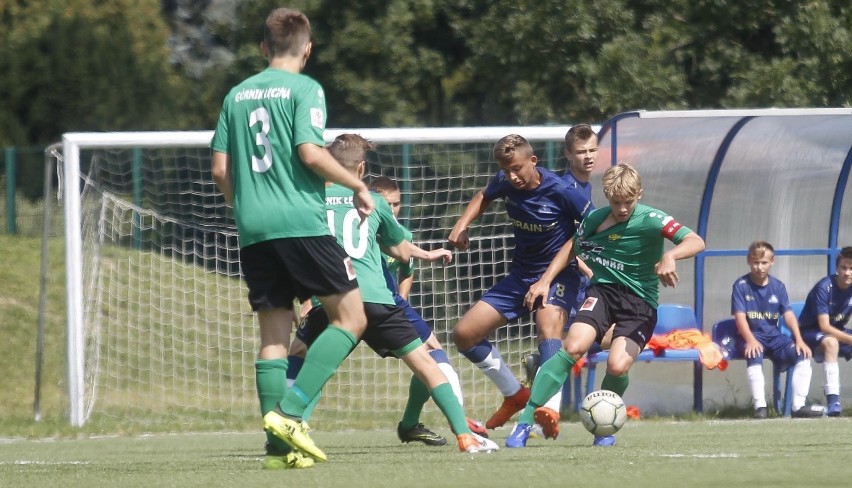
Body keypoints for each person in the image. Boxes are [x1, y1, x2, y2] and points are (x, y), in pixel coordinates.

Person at [210, 8, 374, 470]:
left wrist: (244, 206)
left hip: (253, 228)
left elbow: (221, 170)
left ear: (263, 48)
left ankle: (277, 450)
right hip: (301, 222)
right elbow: (309, 152)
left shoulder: (236, 94)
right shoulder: (307, 88)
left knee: (274, 336)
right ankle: (291, 412)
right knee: (351, 319)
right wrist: (356, 184)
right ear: (307, 48)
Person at [282, 133, 499, 455]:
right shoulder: (374, 200)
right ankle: (464, 436)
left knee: (303, 355)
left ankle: (290, 426)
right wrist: (417, 252)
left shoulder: (308, 200)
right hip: (376, 299)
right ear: (361, 168)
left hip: (334, 300)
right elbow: (399, 251)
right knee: (426, 363)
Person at [506, 162, 705, 448]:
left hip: (640, 303)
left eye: (628, 202)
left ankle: (603, 428)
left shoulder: (653, 219)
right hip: (602, 293)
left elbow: (696, 240)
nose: (622, 208)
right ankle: (524, 424)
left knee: (617, 365)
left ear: (639, 194)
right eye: (615, 202)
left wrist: (671, 256)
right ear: (606, 197)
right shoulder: (595, 219)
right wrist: (546, 280)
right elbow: (572, 247)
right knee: (573, 347)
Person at [448, 134, 593, 439]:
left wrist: (545, 280)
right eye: (505, 169)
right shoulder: (505, 180)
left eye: (516, 168)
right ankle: (514, 394)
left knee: (547, 327)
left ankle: (548, 409)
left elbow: (586, 233)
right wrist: (461, 225)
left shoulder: (563, 190)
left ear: (533, 161)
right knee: (465, 334)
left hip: (559, 275)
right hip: (521, 275)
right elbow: (483, 195)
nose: (511, 176)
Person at [369, 176, 489, 442]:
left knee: (430, 352)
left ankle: (412, 424)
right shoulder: (368, 226)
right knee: (429, 356)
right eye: (387, 204)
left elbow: (406, 269)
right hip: (368, 300)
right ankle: (457, 421)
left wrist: (400, 301)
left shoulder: (400, 232)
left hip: (387, 303)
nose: (392, 210)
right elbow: (404, 253)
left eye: (397, 203)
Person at [731, 241, 819, 419]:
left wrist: (799, 339)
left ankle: (798, 406)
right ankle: (760, 407)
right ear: (749, 261)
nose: (760, 267)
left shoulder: (778, 286)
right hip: (753, 336)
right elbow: (740, 318)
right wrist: (750, 340)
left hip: (774, 336)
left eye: (764, 262)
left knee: (802, 354)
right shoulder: (741, 285)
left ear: (772, 262)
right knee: (754, 353)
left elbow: (788, 314)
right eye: (756, 262)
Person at [798, 246, 852, 417]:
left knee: (834, 339)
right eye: (844, 267)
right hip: (809, 332)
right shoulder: (824, 287)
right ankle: (833, 401)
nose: (847, 272)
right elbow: (824, 327)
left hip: (837, 330)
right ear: (837, 268)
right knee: (831, 341)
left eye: (851, 268)